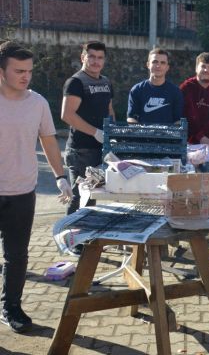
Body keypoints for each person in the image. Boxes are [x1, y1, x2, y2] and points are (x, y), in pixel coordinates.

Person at [0, 41, 72, 333]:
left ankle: (11, 307)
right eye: (18, 70)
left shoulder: (38, 103)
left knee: (17, 256)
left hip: (22, 191)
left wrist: (60, 175)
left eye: (29, 70)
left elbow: (49, 140)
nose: (25, 76)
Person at [61, 40, 114, 215]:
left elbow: (109, 110)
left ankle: (86, 240)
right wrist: (96, 132)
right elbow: (67, 115)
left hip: (100, 149)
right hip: (80, 151)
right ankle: (70, 240)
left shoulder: (106, 82)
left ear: (104, 60)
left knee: (92, 197)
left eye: (100, 57)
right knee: (78, 197)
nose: (96, 61)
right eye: (91, 56)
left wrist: (113, 133)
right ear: (83, 57)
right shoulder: (76, 82)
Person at [127, 48, 183, 124]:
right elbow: (131, 118)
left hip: (167, 135)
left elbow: (178, 120)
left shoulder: (175, 92)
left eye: (162, 63)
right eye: (155, 62)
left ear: (167, 67)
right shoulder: (137, 90)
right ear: (148, 65)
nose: (158, 65)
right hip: (143, 135)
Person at [179, 52, 209, 153]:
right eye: (203, 66)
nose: (206, 70)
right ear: (196, 68)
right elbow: (184, 117)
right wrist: (200, 137)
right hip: (190, 144)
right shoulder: (186, 88)